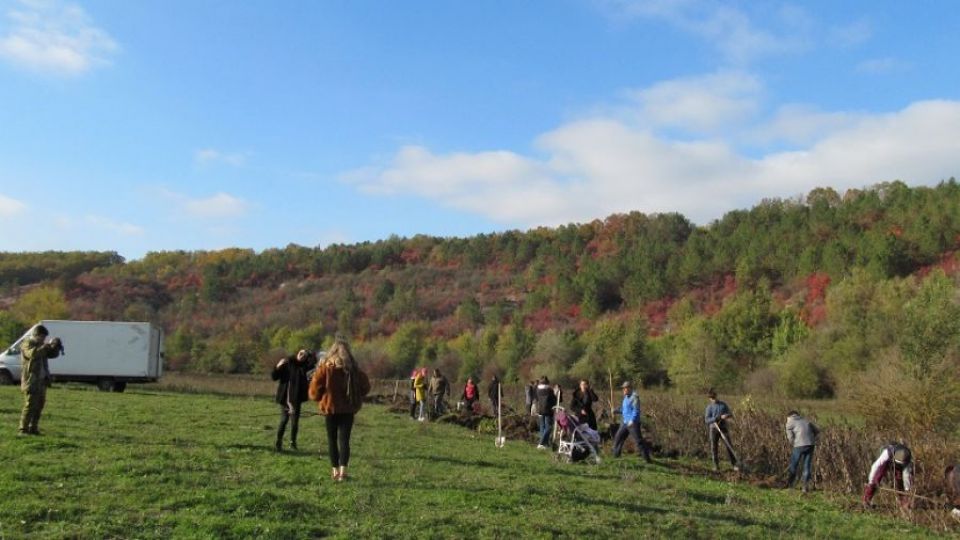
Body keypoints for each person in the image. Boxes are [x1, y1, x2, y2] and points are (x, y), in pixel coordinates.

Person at [309, 337, 371, 482]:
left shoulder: (325, 367)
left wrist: (320, 399)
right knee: (344, 441)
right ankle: (343, 472)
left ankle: (335, 471)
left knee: (332, 440)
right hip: (348, 409)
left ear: (332, 351)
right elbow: (366, 387)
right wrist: (356, 396)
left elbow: (314, 390)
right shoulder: (353, 368)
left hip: (330, 409)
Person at [18, 325, 62, 436]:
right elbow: (32, 354)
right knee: (30, 405)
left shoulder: (41, 345)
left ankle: (33, 428)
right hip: (31, 380)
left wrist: (55, 347)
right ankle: (23, 430)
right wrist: (45, 346)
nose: (43, 339)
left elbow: (51, 355)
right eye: (42, 336)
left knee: (39, 406)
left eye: (44, 337)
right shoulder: (27, 343)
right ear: (36, 335)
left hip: (42, 380)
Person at [271, 349, 312, 451]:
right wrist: (278, 366)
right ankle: (278, 442)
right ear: (297, 353)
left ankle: (293, 443)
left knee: (294, 423)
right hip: (285, 398)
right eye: (301, 353)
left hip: (296, 399)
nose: (302, 356)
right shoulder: (287, 363)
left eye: (305, 355)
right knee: (284, 420)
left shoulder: (305, 367)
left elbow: (312, 366)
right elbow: (274, 377)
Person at [862, 443, 914, 509]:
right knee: (878, 476)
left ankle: (904, 502)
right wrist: (871, 481)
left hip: (900, 464)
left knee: (900, 480)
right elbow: (875, 466)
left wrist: (907, 490)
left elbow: (907, 476)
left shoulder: (908, 460)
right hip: (888, 460)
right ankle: (866, 500)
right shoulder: (887, 453)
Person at [612, 381, 652, 462]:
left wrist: (632, 420)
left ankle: (647, 459)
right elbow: (624, 409)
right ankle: (616, 457)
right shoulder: (625, 397)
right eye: (623, 388)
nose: (623, 390)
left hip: (633, 423)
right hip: (624, 422)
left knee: (639, 441)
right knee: (618, 438)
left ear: (629, 388)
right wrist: (616, 410)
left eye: (625, 388)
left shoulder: (635, 397)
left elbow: (636, 411)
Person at [784, 410, 820, 492]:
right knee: (806, 466)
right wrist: (811, 437)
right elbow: (817, 430)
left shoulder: (789, 423)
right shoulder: (806, 420)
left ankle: (790, 485)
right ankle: (805, 487)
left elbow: (790, 437)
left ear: (789, 416)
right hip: (810, 444)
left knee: (794, 465)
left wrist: (794, 444)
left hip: (799, 445)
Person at [704, 389, 739, 471]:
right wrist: (717, 418)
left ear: (716, 396)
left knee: (729, 445)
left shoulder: (723, 405)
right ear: (709, 398)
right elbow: (707, 420)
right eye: (712, 398)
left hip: (723, 428)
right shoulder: (709, 408)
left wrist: (727, 415)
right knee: (714, 447)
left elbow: (730, 414)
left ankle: (734, 465)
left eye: (714, 397)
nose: (713, 399)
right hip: (714, 429)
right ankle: (716, 465)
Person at [535, 377, 557, 449]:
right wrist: (555, 393)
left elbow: (537, 399)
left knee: (542, 427)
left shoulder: (537, 390)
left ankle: (545, 444)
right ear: (547, 383)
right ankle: (541, 443)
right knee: (549, 427)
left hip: (540, 410)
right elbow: (554, 400)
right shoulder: (549, 390)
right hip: (548, 410)